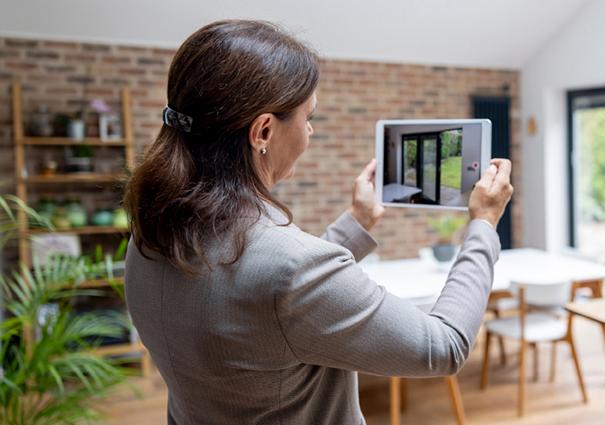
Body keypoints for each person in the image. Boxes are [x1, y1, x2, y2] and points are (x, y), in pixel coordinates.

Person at [123, 19, 512, 425]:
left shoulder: (151, 235)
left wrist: (357, 221)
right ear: (264, 131)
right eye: (308, 117)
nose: (309, 131)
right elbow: (443, 346)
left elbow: (265, 302)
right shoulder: (289, 270)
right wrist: (483, 225)